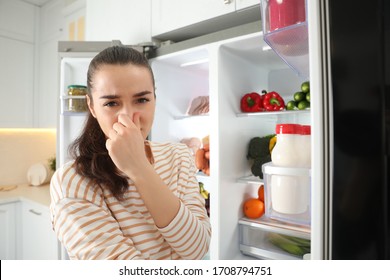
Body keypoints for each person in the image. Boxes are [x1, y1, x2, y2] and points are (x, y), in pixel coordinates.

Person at [50, 46, 211, 260]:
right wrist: (137, 166)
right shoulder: (72, 182)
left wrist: (139, 168)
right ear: (91, 106)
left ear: (155, 98)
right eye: (111, 103)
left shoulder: (178, 156)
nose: (127, 116)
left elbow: (197, 248)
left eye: (142, 100)